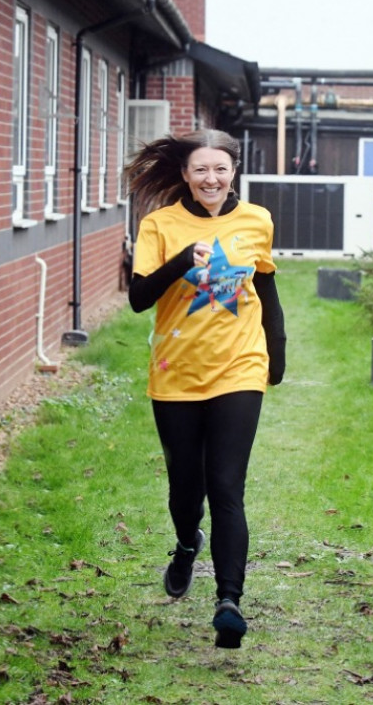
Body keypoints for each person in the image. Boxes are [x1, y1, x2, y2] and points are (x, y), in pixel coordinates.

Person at [124, 129, 286, 649]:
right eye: (200, 170)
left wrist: (275, 356)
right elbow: (138, 298)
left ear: (233, 170)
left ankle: (229, 602)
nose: (211, 179)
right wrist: (180, 262)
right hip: (175, 371)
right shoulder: (160, 224)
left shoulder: (256, 220)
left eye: (220, 169)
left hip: (239, 367)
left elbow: (266, 288)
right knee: (185, 488)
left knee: (226, 485)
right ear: (186, 175)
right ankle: (184, 544)